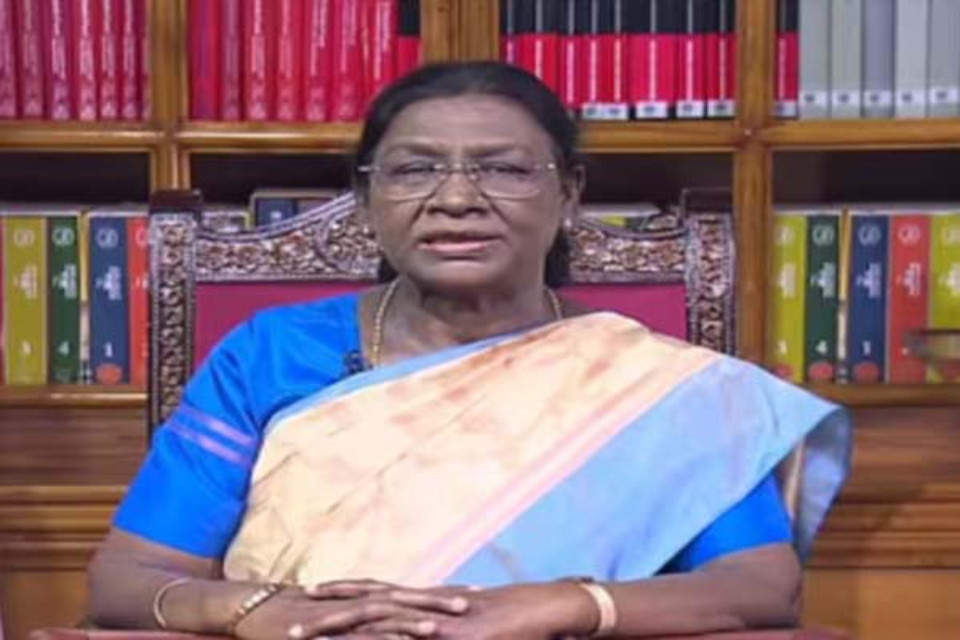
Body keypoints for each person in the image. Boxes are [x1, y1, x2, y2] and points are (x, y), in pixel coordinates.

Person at [87, 61, 851, 640]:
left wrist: (558, 606)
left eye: (504, 169)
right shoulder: (270, 355)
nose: (456, 198)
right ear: (367, 200)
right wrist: (257, 609)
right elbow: (128, 578)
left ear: (569, 195)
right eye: (415, 169)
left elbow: (757, 585)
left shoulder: (658, 387)